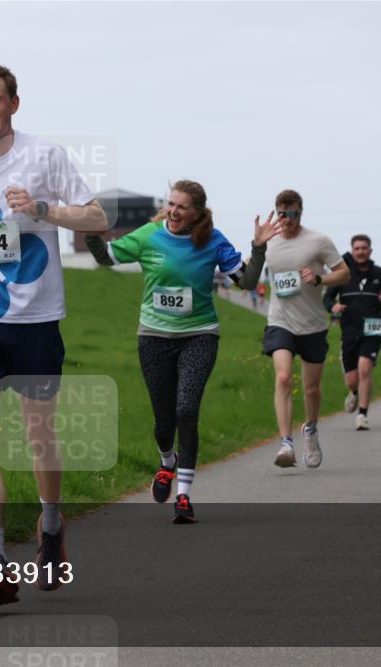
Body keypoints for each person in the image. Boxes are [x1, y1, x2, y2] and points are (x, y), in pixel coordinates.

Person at [0, 64, 108, 606]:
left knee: (39, 438)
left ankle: (51, 526)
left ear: (13, 102)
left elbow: (97, 218)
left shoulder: (46, 156)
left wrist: (40, 209)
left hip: (35, 317)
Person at [85, 181, 278, 522]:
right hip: (154, 337)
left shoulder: (213, 240)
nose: (174, 211)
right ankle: (166, 460)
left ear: (198, 213)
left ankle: (184, 496)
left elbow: (246, 283)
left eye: (182, 207)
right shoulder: (148, 235)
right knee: (163, 420)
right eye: (171, 204)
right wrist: (89, 232)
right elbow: (104, 258)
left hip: (199, 336)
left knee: (186, 410)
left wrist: (258, 248)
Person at [262, 190, 350, 468]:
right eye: (281, 213)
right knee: (284, 377)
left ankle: (310, 430)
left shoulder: (318, 241)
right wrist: (256, 243)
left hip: (312, 323)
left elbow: (344, 273)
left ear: (301, 213)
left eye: (292, 214)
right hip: (280, 320)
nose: (286, 219)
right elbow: (254, 269)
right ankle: (286, 443)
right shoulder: (270, 240)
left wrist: (320, 278)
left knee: (311, 389)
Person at [322, 234, 381, 430]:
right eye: (357, 249)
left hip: (373, 329)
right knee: (351, 380)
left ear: (370, 251)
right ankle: (354, 393)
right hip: (349, 330)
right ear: (352, 250)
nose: (360, 252)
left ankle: (363, 415)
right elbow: (327, 299)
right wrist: (333, 307)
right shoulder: (343, 275)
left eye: (364, 248)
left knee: (365, 367)